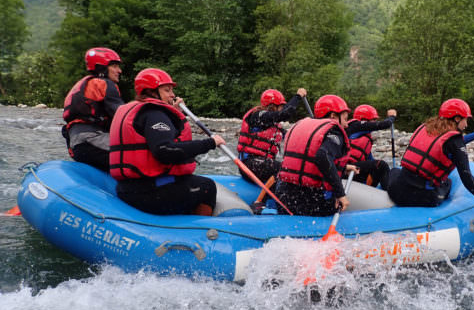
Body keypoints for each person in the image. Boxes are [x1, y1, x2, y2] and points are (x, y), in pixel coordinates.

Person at [109, 68, 226, 216]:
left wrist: (171, 113)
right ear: (152, 92)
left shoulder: (140, 110)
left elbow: (160, 136)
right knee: (206, 186)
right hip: (147, 193)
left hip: (129, 188)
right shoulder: (154, 114)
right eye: (167, 90)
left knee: (188, 181)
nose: (173, 95)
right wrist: (209, 143)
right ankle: (203, 231)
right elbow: (164, 151)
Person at [387, 98, 474, 218]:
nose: (466, 124)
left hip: (396, 191)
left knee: (394, 170)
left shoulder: (427, 127)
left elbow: (449, 145)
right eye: (465, 120)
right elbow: (467, 179)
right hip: (421, 197)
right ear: (457, 119)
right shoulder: (454, 141)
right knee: (448, 182)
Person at [275, 94, 359, 216]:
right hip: (309, 203)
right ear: (333, 116)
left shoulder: (301, 125)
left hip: (284, 199)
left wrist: (343, 167)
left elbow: (306, 160)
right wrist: (340, 194)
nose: (346, 125)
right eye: (345, 119)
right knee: (337, 205)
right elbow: (322, 156)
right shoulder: (334, 131)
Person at [62, 47, 124, 171]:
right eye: (115, 66)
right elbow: (124, 117)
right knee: (138, 153)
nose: (119, 70)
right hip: (92, 140)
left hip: (77, 144)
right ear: (102, 67)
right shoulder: (105, 84)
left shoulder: (84, 84)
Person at [237, 87, 307, 183]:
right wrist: (298, 96)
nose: (282, 108)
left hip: (261, 164)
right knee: (285, 169)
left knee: (294, 168)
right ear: (272, 106)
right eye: (281, 106)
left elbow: (291, 137)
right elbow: (284, 114)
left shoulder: (273, 125)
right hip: (249, 165)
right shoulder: (258, 116)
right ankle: (262, 198)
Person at [346, 104, 397, 189]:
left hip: (355, 170)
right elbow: (384, 124)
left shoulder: (364, 136)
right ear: (364, 119)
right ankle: (390, 192)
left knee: (377, 166)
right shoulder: (355, 125)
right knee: (381, 165)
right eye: (373, 119)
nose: (375, 122)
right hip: (346, 168)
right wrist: (392, 116)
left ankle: (372, 192)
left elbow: (368, 158)